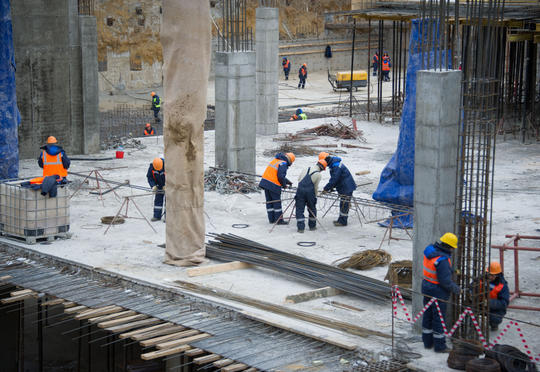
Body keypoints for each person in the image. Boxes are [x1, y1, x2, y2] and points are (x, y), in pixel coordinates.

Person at [421, 233, 461, 353]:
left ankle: (427, 343)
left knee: (427, 315)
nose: (453, 250)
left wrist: (451, 270)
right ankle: (440, 346)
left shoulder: (430, 251)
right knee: (438, 319)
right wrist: (457, 289)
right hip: (437, 292)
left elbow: (435, 267)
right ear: (449, 246)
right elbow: (446, 282)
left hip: (426, 287)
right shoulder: (443, 260)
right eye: (453, 247)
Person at [259, 152, 295, 225]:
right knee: (276, 203)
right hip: (273, 185)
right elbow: (280, 177)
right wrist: (284, 185)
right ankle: (279, 220)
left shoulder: (276, 160)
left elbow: (275, 174)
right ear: (290, 161)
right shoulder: (283, 163)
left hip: (265, 183)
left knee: (269, 202)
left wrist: (287, 182)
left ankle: (271, 219)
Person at [322, 156, 356, 226]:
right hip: (344, 186)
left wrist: (326, 188)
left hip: (346, 187)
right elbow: (336, 178)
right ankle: (341, 220)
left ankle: (343, 222)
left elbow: (334, 179)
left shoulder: (336, 167)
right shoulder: (334, 164)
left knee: (344, 204)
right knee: (343, 204)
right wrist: (331, 187)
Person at [295, 159, 326, 233]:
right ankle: (312, 226)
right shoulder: (318, 175)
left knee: (299, 209)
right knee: (312, 209)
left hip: (300, 191)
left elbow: (299, 179)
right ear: (322, 168)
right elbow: (315, 187)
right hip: (310, 193)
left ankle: (300, 228)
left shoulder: (306, 169)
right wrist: (315, 195)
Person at [485, 261, 510, 331]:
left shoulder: (503, 286)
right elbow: (472, 285)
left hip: (494, 307)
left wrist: (489, 303)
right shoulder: (482, 278)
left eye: (492, 275)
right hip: (480, 303)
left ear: (498, 275)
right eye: (489, 274)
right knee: (468, 308)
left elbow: (504, 303)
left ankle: (494, 324)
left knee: (495, 319)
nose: (490, 277)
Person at [147, 157, 166, 221]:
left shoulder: (168, 165)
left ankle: (168, 217)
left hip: (168, 186)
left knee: (169, 201)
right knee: (158, 200)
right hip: (158, 185)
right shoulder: (152, 167)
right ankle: (157, 216)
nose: (158, 170)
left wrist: (167, 185)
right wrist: (153, 186)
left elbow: (173, 176)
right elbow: (149, 177)